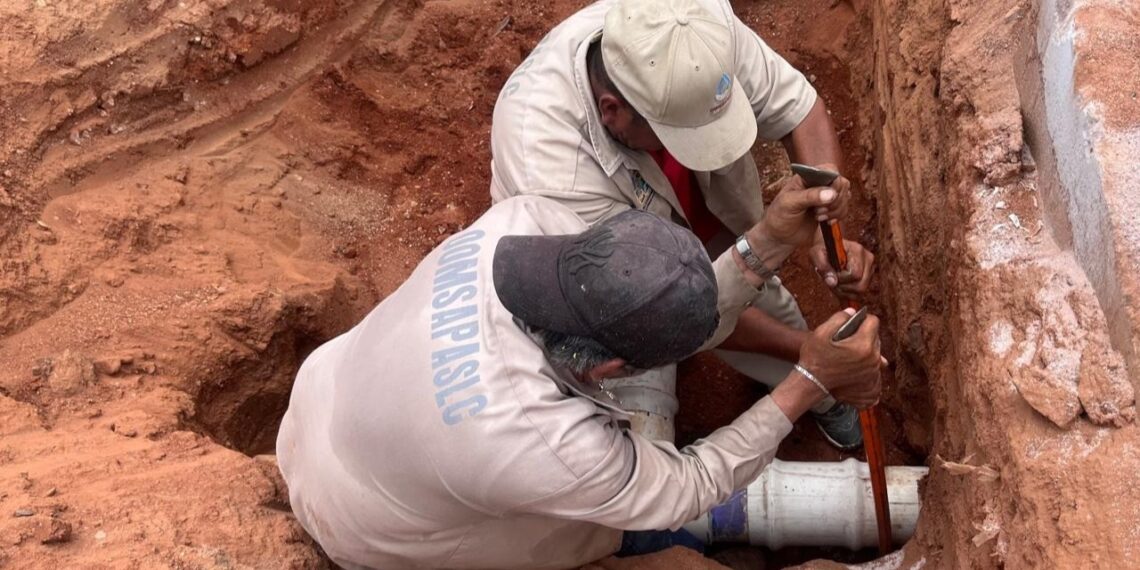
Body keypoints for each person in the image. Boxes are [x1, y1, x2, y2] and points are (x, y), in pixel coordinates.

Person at [276, 188, 884, 569]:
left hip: (322, 399)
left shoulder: (522, 222)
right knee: (598, 533)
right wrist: (806, 381)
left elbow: (649, 297)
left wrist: (767, 240)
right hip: (359, 522)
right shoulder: (541, 442)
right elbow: (687, 485)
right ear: (609, 371)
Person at [490, 0, 875, 448]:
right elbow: (667, 310)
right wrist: (810, 357)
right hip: (598, 279)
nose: (706, 146)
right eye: (684, 136)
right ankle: (805, 377)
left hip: (687, 202)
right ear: (613, 111)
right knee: (675, 327)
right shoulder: (550, 167)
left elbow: (802, 112)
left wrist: (823, 215)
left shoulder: (691, 33)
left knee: (757, 286)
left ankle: (814, 392)